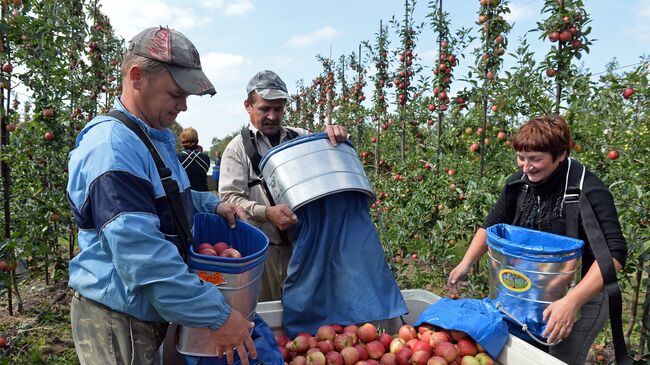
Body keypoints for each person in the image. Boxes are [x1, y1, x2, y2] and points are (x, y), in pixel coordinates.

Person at [66, 27, 256, 365]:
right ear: (137, 77)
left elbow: (168, 199)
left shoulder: (152, 138)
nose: (183, 105)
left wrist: (213, 203)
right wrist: (218, 315)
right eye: (175, 93)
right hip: (116, 319)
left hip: (141, 313)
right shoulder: (113, 147)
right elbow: (143, 257)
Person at [447, 115, 627, 365]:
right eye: (522, 157)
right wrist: (465, 263)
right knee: (521, 354)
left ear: (561, 154)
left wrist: (571, 302)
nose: (526, 166)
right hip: (529, 291)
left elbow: (614, 254)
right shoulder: (519, 184)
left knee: (557, 360)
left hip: (581, 294)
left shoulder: (587, 190)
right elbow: (490, 225)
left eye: (536, 159)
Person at [219, 70, 348, 302]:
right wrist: (266, 213)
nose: (272, 116)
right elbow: (230, 200)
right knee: (267, 312)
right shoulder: (237, 149)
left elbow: (329, 158)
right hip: (262, 251)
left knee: (307, 313)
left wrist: (334, 135)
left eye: (278, 109)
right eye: (264, 109)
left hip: (303, 247)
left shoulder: (300, 139)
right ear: (248, 105)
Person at [178, 127, 211, 191]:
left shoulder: (178, 157)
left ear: (182, 141)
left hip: (188, 195)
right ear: (197, 140)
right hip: (204, 194)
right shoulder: (206, 158)